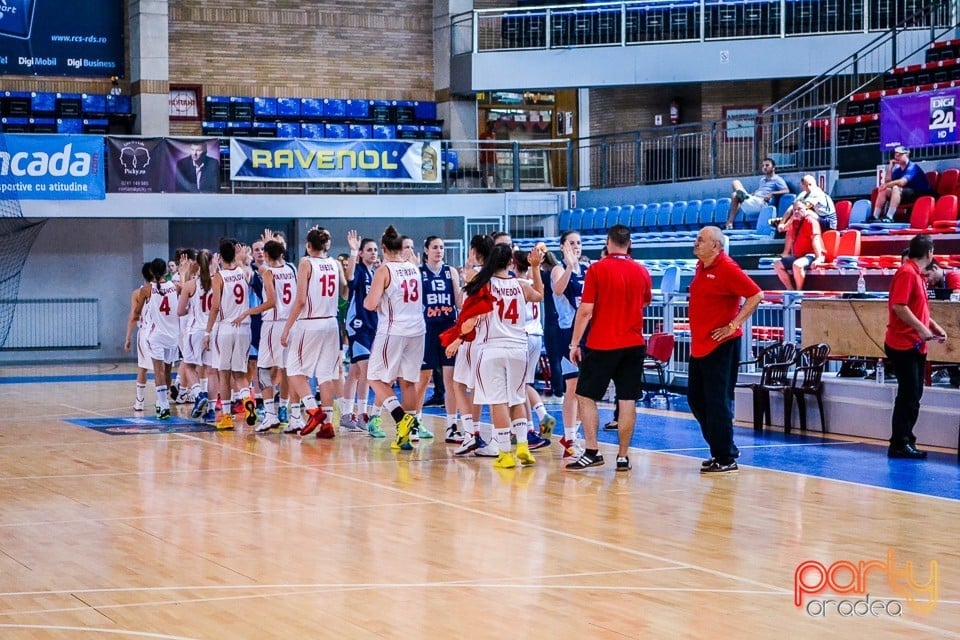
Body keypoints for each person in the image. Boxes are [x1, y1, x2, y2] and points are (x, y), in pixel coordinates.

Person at [443, 243, 544, 469]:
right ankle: (524, 447)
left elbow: (470, 320)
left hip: (492, 349)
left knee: (498, 402)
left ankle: (505, 453)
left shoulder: (484, 285)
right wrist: (535, 268)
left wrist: (458, 338)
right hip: (519, 348)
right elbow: (539, 296)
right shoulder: (520, 285)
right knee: (517, 398)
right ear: (511, 263)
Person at [565, 225, 652, 472]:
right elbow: (646, 300)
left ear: (608, 242)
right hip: (633, 344)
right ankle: (623, 456)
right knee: (627, 401)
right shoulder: (641, 271)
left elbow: (585, 311)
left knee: (585, 395)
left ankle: (592, 450)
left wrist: (574, 343)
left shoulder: (597, 269)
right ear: (629, 243)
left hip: (603, 343)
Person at [688, 226, 764, 473]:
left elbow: (756, 295)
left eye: (701, 240)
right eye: (697, 239)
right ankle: (722, 448)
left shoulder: (728, 268)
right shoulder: (701, 267)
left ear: (716, 246)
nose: (696, 243)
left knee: (718, 402)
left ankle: (725, 457)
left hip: (721, 345)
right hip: (700, 345)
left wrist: (734, 325)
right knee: (696, 399)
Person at [884, 234, 948, 459]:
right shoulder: (907, 273)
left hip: (915, 344)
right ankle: (899, 442)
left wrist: (934, 326)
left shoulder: (917, 275)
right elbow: (899, 306)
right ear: (930, 253)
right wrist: (921, 329)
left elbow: (919, 308)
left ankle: (906, 438)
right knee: (908, 394)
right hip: (903, 343)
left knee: (914, 394)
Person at [363, 225, 427, 451]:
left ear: (383, 249)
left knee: (374, 377)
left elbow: (370, 304)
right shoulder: (414, 267)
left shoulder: (384, 270)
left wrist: (377, 300)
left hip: (394, 329)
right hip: (418, 329)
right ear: (402, 248)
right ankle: (406, 435)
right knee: (408, 381)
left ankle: (401, 418)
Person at [280, 227, 347, 439]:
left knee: (293, 370)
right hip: (331, 323)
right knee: (326, 375)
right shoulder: (335, 264)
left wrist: (287, 327)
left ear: (308, 246)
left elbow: (300, 301)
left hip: (310, 322)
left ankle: (313, 410)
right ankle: (327, 425)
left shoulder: (306, 263)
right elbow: (345, 290)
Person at [203, 238, 257, 430]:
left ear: (219, 255)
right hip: (244, 327)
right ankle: (246, 400)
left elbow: (215, 307)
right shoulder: (243, 272)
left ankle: (226, 417)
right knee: (240, 374)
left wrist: (207, 332)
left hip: (225, 327)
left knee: (223, 374)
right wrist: (242, 259)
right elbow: (248, 272)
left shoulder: (219, 277)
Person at [416, 235, 462, 443]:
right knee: (423, 379)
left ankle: (452, 426)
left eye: (442, 247)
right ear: (426, 250)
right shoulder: (419, 273)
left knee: (450, 380)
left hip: (448, 329)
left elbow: (459, 302)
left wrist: (466, 283)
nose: (439, 251)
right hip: (427, 330)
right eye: (435, 247)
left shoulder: (450, 272)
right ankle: (415, 422)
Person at [343, 231, 382, 437]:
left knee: (355, 372)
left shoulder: (376, 272)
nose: (373, 253)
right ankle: (362, 414)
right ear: (361, 254)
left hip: (373, 325)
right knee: (366, 371)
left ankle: (347, 414)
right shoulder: (358, 269)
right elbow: (348, 278)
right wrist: (352, 251)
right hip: (357, 325)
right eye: (369, 250)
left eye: (375, 250)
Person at [724, 157, 790, 229]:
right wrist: (755, 193)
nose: (764, 167)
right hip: (754, 201)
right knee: (735, 184)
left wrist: (772, 193)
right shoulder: (762, 180)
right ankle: (743, 198)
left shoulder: (777, 179)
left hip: (762, 203)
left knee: (735, 194)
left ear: (773, 167)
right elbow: (762, 190)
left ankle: (730, 221)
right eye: (763, 166)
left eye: (767, 165)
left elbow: (786, 190)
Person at [870, 146, 931, 223]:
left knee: (896, 188)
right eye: (896, 155)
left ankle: (889, 217)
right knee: (885, 189)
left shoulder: (913, 167)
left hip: (919, 194)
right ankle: (875, 216)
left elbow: (902, 182)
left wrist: (887, 185)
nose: (897, 157)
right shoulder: (897, 170)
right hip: (905, 194)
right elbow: (888, 182)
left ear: (907, 155)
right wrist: (890, 168)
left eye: (900, 155)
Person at [773, 206, 825, 291]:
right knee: (777, 265)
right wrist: (785, 253)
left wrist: (818, 258)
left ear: (806, 209)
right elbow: (789, 237)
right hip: (798, 255)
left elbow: (815, 239)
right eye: (794, 210)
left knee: (797, 265)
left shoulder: (811, 221)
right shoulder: (794, 222)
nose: (796, 212)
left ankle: (798, 292)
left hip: (811, 255)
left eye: (800, 209)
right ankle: (791, 291)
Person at [479, 123, 499, 190]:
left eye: (493, 127)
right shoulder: (483, 135)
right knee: (484, 175)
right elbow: (480, 145)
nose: (492, 128)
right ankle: (484, 189)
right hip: (485, 159)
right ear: (487, 127)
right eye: (491, 126)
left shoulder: (494, 135)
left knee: (496, 174)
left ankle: (499, 188)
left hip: (493, 159)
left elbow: (495, 146)